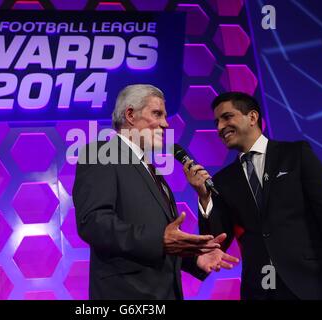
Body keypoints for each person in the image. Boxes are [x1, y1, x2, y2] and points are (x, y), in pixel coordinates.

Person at [72, 84, 238, 299]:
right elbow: (93, 223)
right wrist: (160, 239)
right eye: (157, 114)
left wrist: (194, 258)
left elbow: (164, 241)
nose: (165, 123)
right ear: (130, 115)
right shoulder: (101, 153)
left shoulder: (152, 171)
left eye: (165, 116)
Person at [184, 91, 322, 300]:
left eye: (227, 117)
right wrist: (204, 197)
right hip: (260, 290)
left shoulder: (295, 155)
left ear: (253, 117)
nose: (220, 127)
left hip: (311, 284)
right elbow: (215, 242)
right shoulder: (222, 180)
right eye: (217, 122)